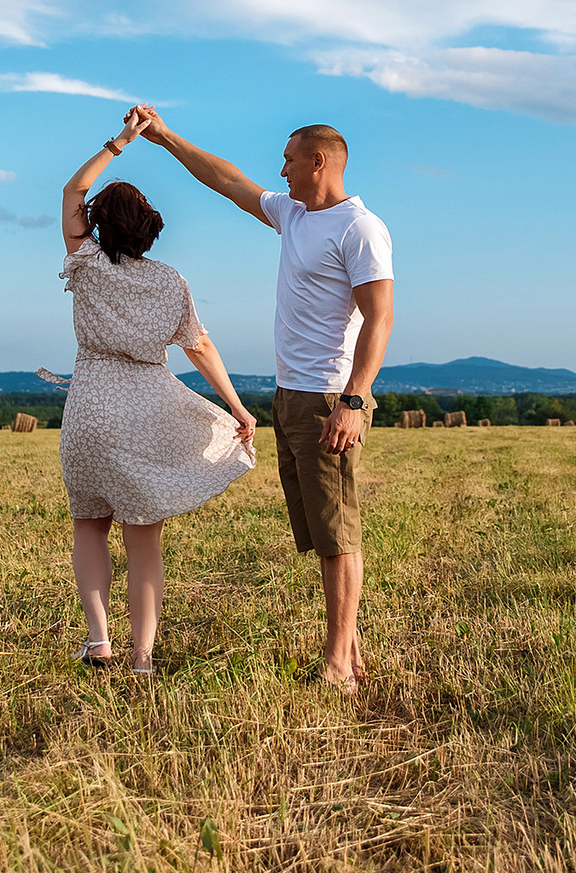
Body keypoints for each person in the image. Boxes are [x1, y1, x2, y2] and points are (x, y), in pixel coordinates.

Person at [129, 106, 392, 693]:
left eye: (290, 159)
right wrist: (164, 135)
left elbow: (380, 318)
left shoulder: (361, 228)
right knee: (321, 531)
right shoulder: (294, 214)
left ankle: (340, 664)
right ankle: (348, 650)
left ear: (318, 162)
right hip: (290, 394)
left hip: (329, 397)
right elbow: (225, 179)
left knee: (337, 533)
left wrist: (354, 399)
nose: (282, 169)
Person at [56, 114, 260, 675]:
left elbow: (73, 190)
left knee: (89, 524)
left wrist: (119, 142)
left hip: (91, 406)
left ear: (97, 224)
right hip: (146, 408)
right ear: (149, 228)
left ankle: (100, 642)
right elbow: (200, 349)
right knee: (145, 541)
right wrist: (238, 409)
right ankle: (143, 658)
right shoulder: (171, 281)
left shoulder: (86, 263)